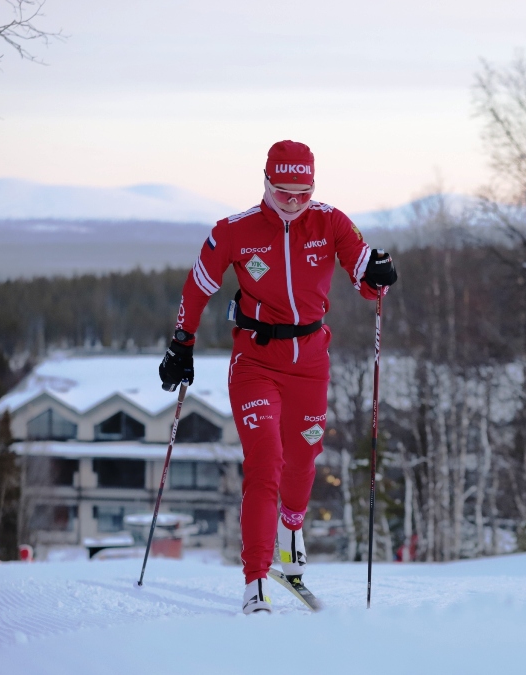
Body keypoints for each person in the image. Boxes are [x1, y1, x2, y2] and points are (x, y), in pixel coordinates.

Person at [158, 140, 397, 614]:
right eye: (282, 191)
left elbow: (364, 278)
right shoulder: (235, 230)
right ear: (265, 183)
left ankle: (292, 533)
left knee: (304, 457)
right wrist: (182, 342)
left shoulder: (329, 221)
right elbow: (198, 283)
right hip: (256, 360)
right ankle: (255, 583)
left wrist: (379, 274)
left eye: (302, 192)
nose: (292, 202)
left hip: (310, 360)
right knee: (265, 461)